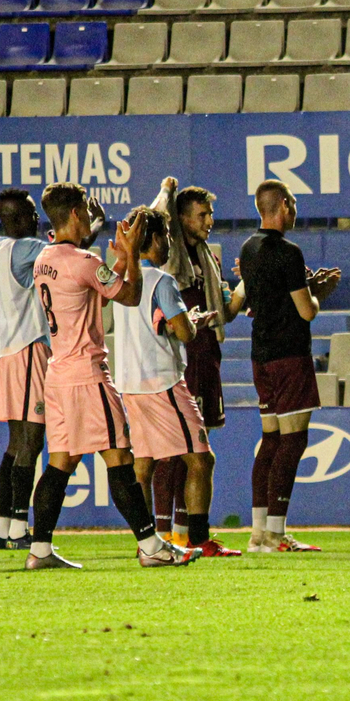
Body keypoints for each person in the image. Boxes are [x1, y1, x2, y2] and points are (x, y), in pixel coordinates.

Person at [24, 186, 198, 569]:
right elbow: (131, 296)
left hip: (58, 375)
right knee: (120, 457)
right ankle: (151, 548)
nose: (90, 216)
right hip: (87, 374)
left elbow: (95, 294)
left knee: (60, 463)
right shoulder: (84, 260)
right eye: (86, 210)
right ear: (74, 213)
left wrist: (118, 260)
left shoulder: (44, 260)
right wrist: (131, 254)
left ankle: (39, 551)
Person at [0, 190, 104, 551]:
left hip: (6, 351)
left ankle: (3, 527)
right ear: (17, 220)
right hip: (28, 349)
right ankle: (20, 527)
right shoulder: (26, 249)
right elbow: (68, 252)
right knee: (31, 442)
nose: (37, 218)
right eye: (30, 213)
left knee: (15, 444)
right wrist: (96, 224)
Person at [115, 208, 236, 558]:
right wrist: (194, 322)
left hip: (130, 382)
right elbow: (183, 331)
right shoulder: (161, 281)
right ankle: (198, 538)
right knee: (201, 458)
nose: (170, 243)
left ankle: (147, 541)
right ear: (153, 240)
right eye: (166, 236)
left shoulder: (121, 278)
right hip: (162, 382)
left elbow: (148, 324)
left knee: (145, 464)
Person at [229, 179, 340, 552]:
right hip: (290, 355)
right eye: (292, 204)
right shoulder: (289, 252)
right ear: (283, 206)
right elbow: (306, 311)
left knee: (271, 441)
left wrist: (303, 287)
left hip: (260, 356)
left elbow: (262, 295)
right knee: (294, 441)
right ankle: (276, 534)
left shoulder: (249, 248)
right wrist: (318, 293)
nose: (295, 211)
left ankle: (259, 532)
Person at [147, 178, 238, 547]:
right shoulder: (172, 258)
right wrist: (167, 194)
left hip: (206, 357)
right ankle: (164, 530)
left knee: (196, 446)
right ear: (181, 220)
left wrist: (245, 286)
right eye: (202, 214)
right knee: (174, 451)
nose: (210, 220)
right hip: (179, 360)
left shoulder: (208, 259)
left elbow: (224, 313)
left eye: (211, 213)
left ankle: (184, 534)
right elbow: (153, 219)